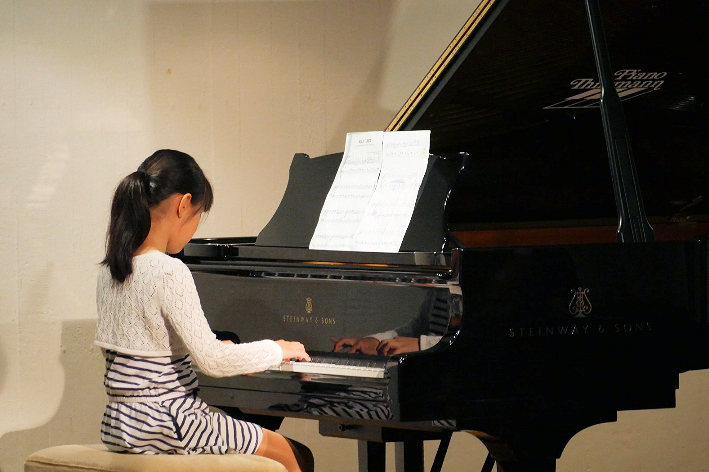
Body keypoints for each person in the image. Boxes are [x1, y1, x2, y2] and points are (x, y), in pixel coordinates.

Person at [94, 149, 313, 472]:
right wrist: (277, 350)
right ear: (184, 204)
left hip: (122, 424)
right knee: (295, 455)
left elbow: (145, 352)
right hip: (169, 422)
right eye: (198, 215)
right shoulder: (168, 270)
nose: (194, 228)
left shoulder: (111, 270)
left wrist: (207, 350)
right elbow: (213, 361)